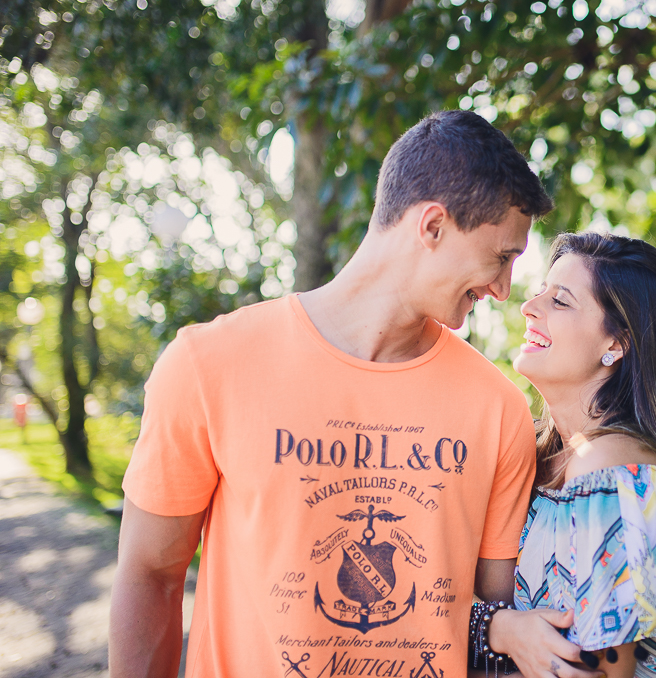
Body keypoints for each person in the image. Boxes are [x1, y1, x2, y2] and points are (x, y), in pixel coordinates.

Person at [110, 110, 559, 678]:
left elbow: (494, 625)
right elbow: (151, 572)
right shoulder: (208, 365)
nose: (503, 289)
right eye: (502, 257)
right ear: (432, 226)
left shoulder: (499, 410)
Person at [473, 233, 656, 678]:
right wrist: (494, 629)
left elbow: (600, 673)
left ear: (617, 344)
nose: (530, 306)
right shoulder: (543, 455)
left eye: (561, 301)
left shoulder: (611, 472)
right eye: (542, 291)